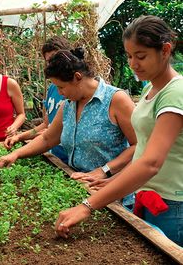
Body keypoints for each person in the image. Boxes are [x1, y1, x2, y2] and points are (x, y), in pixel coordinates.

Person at [54, 15, 183, 247]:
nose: (133, 64)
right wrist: (115, 182)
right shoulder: (149, 91)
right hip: (149, 196)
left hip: (173, 205)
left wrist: (88, 205)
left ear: (165, 50)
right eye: (130, 56)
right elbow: (142, 150)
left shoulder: (175, 93)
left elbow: (151, 162)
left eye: (141, 56)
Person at [0, 47, 137, 207]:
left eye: (61, 87)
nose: (59, 92)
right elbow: (47, 138)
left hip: (112, 190)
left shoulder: (115, 100)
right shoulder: (68, 105)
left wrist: (104, 170)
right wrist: (16, 154)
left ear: (77, 77)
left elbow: (140, 145)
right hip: (80, 185)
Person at [4, 36, 72, 163]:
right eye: (49, 61)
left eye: (56, 59)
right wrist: (19, 137)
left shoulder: (75, 93)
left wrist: (51, 135)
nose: (53, 65)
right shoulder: (53, 89)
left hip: (72, 161)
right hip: (55, 157)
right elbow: (46, 125)